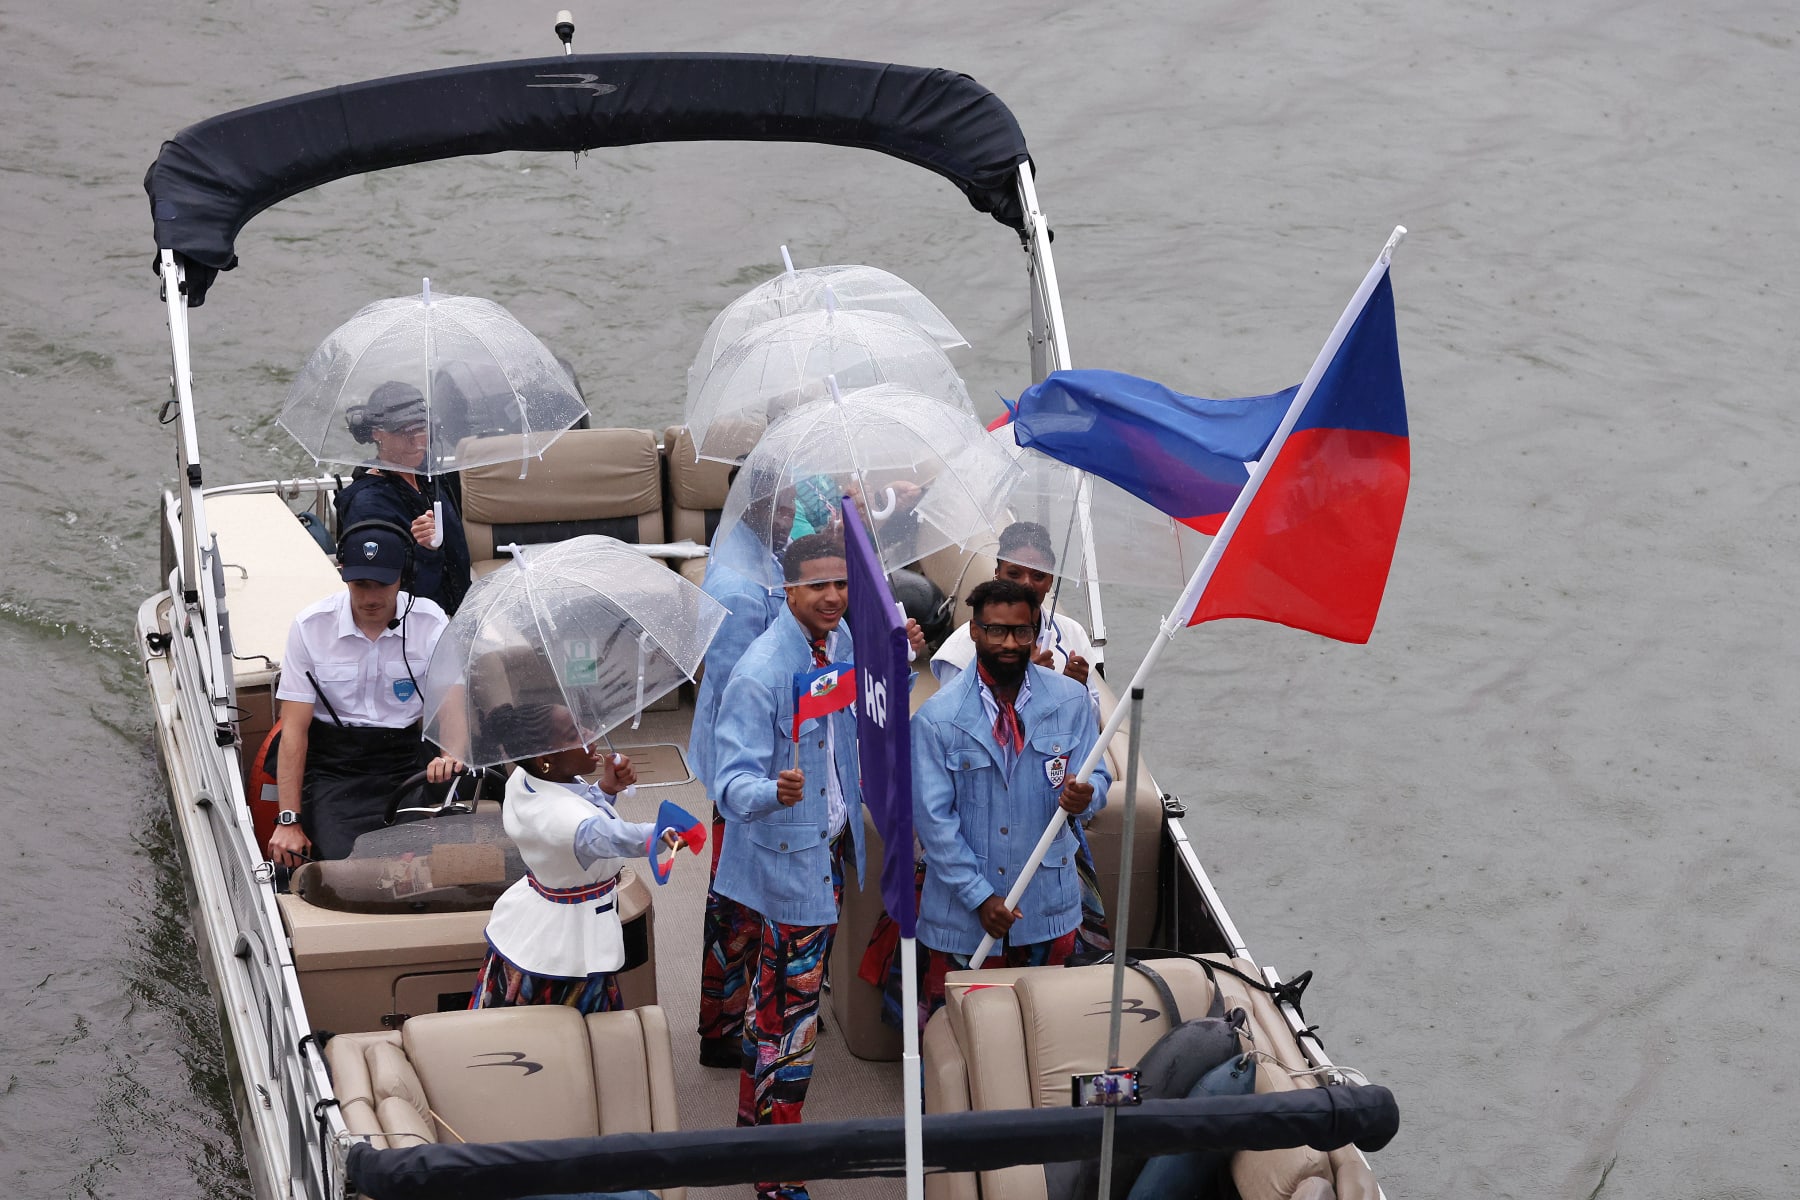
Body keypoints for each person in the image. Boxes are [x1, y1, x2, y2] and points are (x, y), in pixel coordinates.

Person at [709, 532, 920, 1200]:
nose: (834, 597)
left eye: (842, 584)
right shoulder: (761, 672)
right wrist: (775, 791)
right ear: (787, 591)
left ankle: (755, 1142)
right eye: (818, 587)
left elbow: (865, 708)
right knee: (789, 1026)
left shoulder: (843, 644)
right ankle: (777, 1174)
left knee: (772, 1014)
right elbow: (729, 782)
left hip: (825, 851)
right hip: (784, 864)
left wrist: (901, 660)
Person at [906, 578, 1114, 1031]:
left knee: (1050, 1043)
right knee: (957, 1045)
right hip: (961, 922)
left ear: (1035, 634)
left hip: (1048, 914)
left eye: (1021, 632)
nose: (1009, 643)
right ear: (975, 633)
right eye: (996, 631)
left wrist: (1087, 795)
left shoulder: (1073, 701)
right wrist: (981, 898)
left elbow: (1097, 774)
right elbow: (934, 825)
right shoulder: (935, 721)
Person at [468, 702, 683, 1013]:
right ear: (546, 760)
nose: (590, 733)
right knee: (570, 1026)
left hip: (540, 918)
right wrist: (664, 833)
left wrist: (607, 788)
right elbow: (611, 836)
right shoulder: (564, 822)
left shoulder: (528, 780)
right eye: (574, 734)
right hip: (570, 941)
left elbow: (579, 813)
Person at [268, 522, 461, 867]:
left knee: (425, 861)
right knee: (350, 866)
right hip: (333, 769)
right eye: (360, 585)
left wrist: (448, 756)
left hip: (406, 761)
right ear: (343, 575)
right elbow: (293, 731)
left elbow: (453, 706)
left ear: (404, 576)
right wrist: (289, 821)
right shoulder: (309, 628)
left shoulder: (432, 624)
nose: (371, 598)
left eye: (382, 584)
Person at [690, 489, 789, 1069]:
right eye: (778, 504)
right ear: (752, 504)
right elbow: (736, 702)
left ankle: (762, 1004)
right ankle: (720, 1025)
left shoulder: (764, 558)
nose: (789, 515)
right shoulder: (738, 589)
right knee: (736, 902)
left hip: (770, 768)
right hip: (745, 772)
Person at [334, 380, 472, 615]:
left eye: (422, 429)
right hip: (413, 628)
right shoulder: (366, 505)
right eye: (404, 432)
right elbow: (377, 595)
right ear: (378, 434)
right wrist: (425, 551)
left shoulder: (434, 477)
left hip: (460, 609)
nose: (417, 441)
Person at [930, 520, 1096, 694]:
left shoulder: (1074, 635)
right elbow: (953, 718)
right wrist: (1021, 683)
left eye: (1038, 575)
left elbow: (1091, 716)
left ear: (1050, 582)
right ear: (997, 575)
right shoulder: (959, 653)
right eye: (1014, 573)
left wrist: (1076, 691)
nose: (1026, 584)